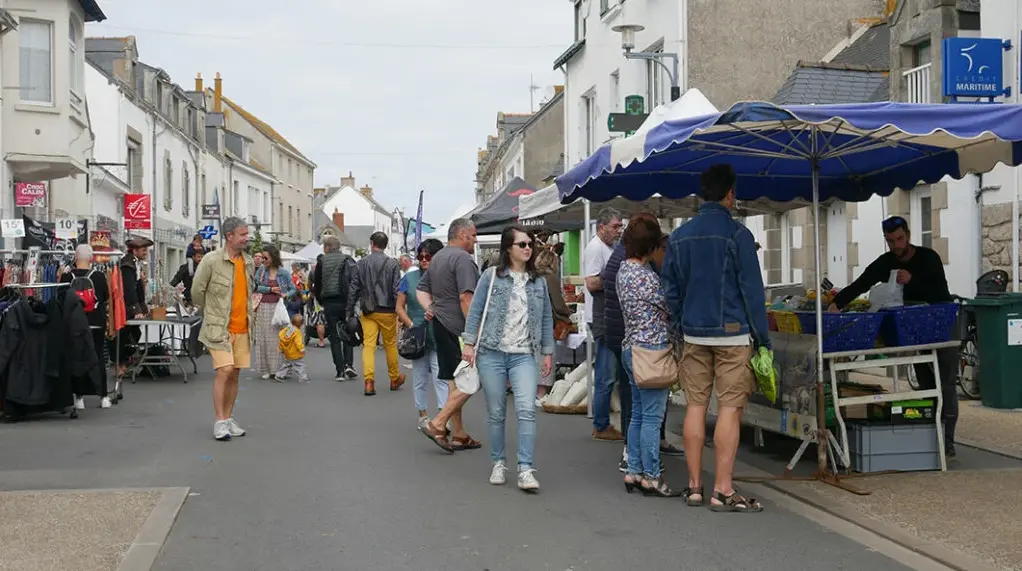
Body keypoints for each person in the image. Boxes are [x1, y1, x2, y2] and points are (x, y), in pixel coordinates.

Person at [662, 163, 767, 512]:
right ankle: (722, 488)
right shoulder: (739, 236)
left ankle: (694, 486)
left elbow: (670, 291)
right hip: (733, 335)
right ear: (730, 194)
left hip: (693, 333)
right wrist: (763, 339)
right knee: (729, 409)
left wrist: (682, 323)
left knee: (695, 406)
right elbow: (753, 293)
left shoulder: (679, 237)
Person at [828, 215, 958, 457]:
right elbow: (862, 282)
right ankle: (931, 435)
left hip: (941, 323)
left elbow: (940, 292)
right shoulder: (886, 262)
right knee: (926, 383)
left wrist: (912, 281)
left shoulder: (929, 258)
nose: (896, 245)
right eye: (890, 241)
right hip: (914, 329)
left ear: (908, 235)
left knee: (946, 384)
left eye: (899, 239)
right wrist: (838, 303)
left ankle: (948, 442)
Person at [463, 226, 554, 491]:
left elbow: (546, 318)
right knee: (496, 412)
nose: (528, 249)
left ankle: (525, 468)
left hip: (524, 354)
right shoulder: (491, 276)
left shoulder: (538, 282)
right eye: (522, 244)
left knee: (526, 409)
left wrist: (547, 352)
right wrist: (469, 343)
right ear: (508, 248)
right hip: (491, 352)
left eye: (530, 244)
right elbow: (476, 310)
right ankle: (498, 462)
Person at [602, 215, 682, 473]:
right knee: (652, 417)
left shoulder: (624, 270)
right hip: (651, 350)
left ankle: (634, 470)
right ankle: (651, 473)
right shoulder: (646, 277)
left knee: (637, 413)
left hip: (631, 346)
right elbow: (670, 306)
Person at [417, 218, 481, 452]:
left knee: (455, 381)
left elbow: (421, 290)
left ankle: (459, 434)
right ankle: (438, 423)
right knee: (472, 379)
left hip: (441, 325)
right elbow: (466, 298)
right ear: (463, 235)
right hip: (458, 328)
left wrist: (431, 309)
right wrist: (473, 333)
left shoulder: (439, 258)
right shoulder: (463, 259)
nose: (475, 240)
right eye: (473, 236)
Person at [192, 217, 255, 441]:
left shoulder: (248, 262)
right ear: (229, 236)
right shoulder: (211, 260)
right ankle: (219, 421)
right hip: (219, 327)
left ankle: (228, 418)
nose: (247, 238)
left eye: (247, 234)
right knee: (225, 370)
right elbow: (197, 292)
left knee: (235, 373)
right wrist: (211, 313)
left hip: (242, 327)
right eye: (242, 234)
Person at [396, 238, 449, 423]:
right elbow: (399, 307)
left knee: (441, 377)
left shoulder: (446, 278)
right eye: (421, 256)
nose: (424, 260)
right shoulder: (409, 278)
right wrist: (410, 324)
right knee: (420, 378)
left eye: (428, 256)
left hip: (440, 333)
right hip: (417, 335)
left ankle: (442, 417)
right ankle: (423, 416)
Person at [348, 231, 404, 396]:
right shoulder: (393, 264)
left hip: (368, 310)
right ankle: (394, 378)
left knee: (369, 345)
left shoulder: (361, 263)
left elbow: (354, 288)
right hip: (388, 310)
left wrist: (349, 310)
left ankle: (369, 381)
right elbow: (396, 290)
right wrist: (400, 311)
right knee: (390, 344)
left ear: (372, 244)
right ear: (386, 245)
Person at [585, 207, 625, 441]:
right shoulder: (595, 248)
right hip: (601, 317)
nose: (619, 230)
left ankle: (603, 422)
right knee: (606, 374)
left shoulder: (609, 248)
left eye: (620, 226)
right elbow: (591, 283)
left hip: (607, 315)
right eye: (615, 226)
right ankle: (600, 425)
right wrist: (617, 277)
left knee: (609, 373)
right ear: (601, 227)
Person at [60, 244, 111, 409]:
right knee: (98, 357)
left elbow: (61, 299)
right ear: (91, 259)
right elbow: (105, 298)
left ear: (75, 258)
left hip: (75, 324)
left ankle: (79, 398)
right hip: (96, 322)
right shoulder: (99, 276)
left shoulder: (67, 276)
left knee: (77, 358)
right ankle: (103, 396)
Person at [313, 237, 357, 380]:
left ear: (326, 247)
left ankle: (339, 371)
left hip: (329, 302)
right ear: (339, 247)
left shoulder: (321, 261)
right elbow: (354, 281)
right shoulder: (348, 260)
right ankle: (349, 364)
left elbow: (317, 283)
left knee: (334, 336)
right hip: (346, 302)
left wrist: (321, 300)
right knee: (348, 333)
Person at [252, 244, 297, 379]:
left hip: (278, 308)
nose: (263, 260)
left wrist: (286, 294)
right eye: (262, 257)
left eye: (265, 258)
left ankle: (279, 369)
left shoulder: (283, 272)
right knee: (263, 339)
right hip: (263, 307)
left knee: (278, 339)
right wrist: (269, 289)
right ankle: (266, 369)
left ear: (273, 257)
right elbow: (254, 286)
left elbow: (293, 289)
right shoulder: (261, 271)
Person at [533, 242, 572, 399]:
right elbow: (557, 303)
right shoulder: (551, 278)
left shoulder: (533, 277)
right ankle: (541, 393)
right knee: (547, 356)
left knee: (536, 357)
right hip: (547, 322)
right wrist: (568, 312)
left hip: (532, 322)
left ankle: (535, 392)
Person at [116, 237, 153, 378]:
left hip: (129, 307)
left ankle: (125, 364)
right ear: (135, 250)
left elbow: (138, 288)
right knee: (124, 337)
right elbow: (129, 290)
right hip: (124, 308)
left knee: (134, 335)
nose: (146, 252)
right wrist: (136, 310)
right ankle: (120, 366)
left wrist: (143, 308)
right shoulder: (127, 266)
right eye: (143, 250)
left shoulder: (134, 263)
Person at [275, 313, 309, 383]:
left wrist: (281, 348)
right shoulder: (297, 332)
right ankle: (303, 378)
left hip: (287, 353)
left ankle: (279, 375)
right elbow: (298, 342)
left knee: (286, 365)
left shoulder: (286, 330)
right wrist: (302, 349)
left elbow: (282, 340)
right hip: (296, 353)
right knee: (300, 365)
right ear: (301, 325)